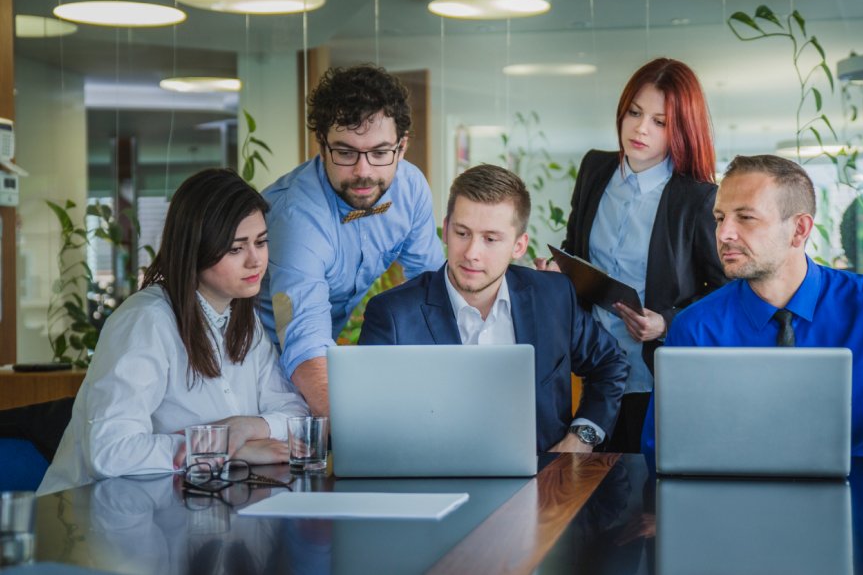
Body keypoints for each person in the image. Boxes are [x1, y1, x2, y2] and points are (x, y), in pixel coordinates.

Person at [641, 154, 863, 456]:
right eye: (720, 218)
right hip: (740, 515)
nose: (724, 233)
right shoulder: (695, 327)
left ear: (799, 230)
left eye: (745, 217)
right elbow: (662, 448)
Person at [39, 169, 309, 495]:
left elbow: (295, 414)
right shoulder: (146, 322)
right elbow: (110, 452)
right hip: (92, 519)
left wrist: (248, 427)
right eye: (236, 248)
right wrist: (223, 449)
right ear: (196, 247)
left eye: (261, 242)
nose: (256, 261)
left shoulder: (244, 321)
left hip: (188, 506)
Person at [360, 164, 627, 453]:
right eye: (462, 233)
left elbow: (610, 364)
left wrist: (581, 438)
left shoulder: (554, 296)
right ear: (446, 229)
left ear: (519, 245)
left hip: (544, 486)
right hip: (434, 486)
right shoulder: (391, 315)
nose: (472, 253)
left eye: (490, 239)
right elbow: (369, 421)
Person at [536, 58, 726, 452]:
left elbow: (724, 290)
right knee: (580, 486)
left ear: (682, 130)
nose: (641, 129)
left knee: (642, 494)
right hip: (587, 367)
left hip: (652, 375)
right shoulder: (595, 168)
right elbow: (576, 246)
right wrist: (559, 268)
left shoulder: (696, 199)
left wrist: (666, 322)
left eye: (660, 121)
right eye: (635, 113)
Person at [258, 64, 444, 416]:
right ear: (322, 146)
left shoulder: (411, 189)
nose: (363, 172)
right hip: (261, 366)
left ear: (401, 148)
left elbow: (430, 291)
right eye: (345, 152)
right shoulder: (296, 218)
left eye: (379, 152)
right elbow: (305, 342)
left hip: (327, 361)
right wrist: (362, 435)